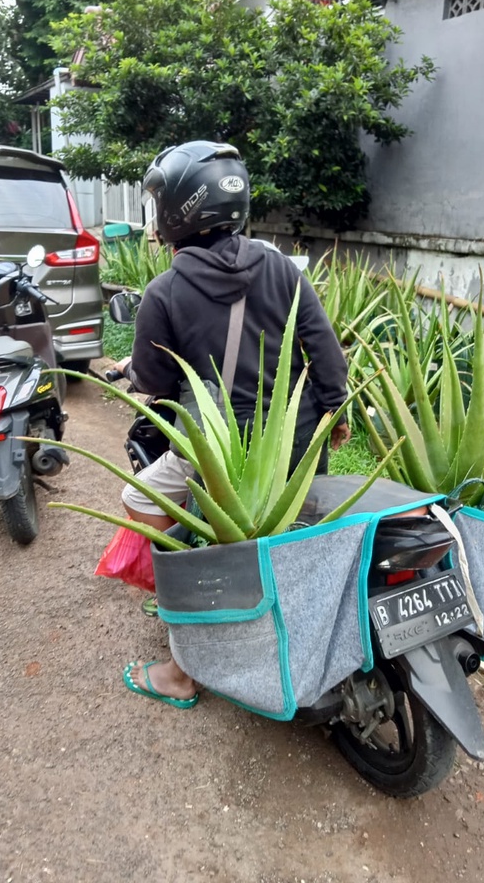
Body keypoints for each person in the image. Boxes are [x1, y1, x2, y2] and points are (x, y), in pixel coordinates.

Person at [113, 140, 351, 707]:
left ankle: (182, 668)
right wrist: (334, 413)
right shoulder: (281, 267)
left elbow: (154, 387)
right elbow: (324, 352)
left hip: (215, 454)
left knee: (143, 501)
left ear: (175, 211)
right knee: (291, 532)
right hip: (296, 441)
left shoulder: (165, 291)